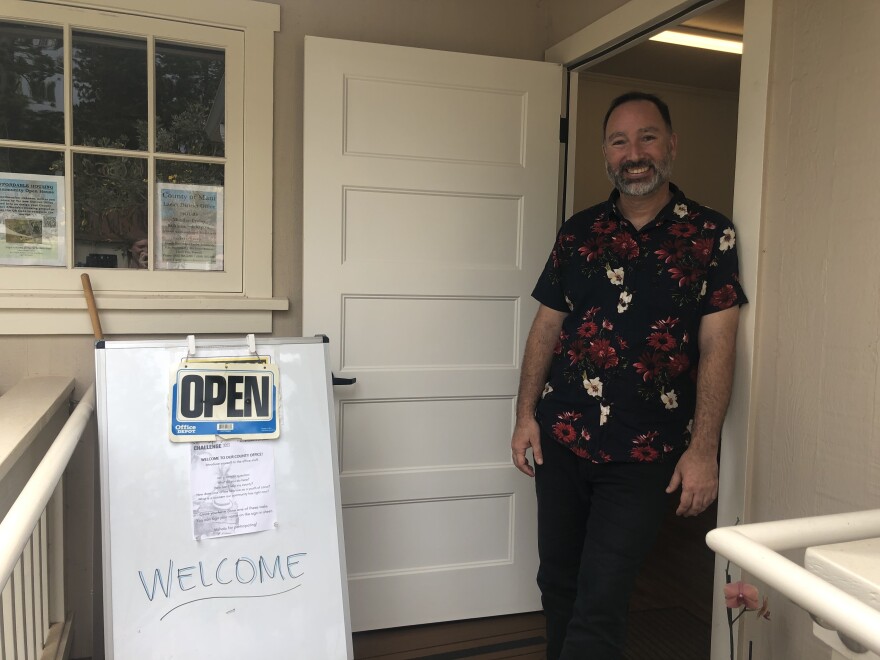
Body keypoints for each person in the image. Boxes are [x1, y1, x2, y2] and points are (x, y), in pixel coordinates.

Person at [511, 91, 747, 659]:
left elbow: (719, 345)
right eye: (620, 141)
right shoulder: (578, 232)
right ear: (605, 154)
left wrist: (704, 449)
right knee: (558, 584)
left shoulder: (711, 236)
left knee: (603, 595)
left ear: (671, 144)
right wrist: (524, 416)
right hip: (563, 439)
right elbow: (546, 328)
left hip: (645, 454)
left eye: (647, 137)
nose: (633, 152)